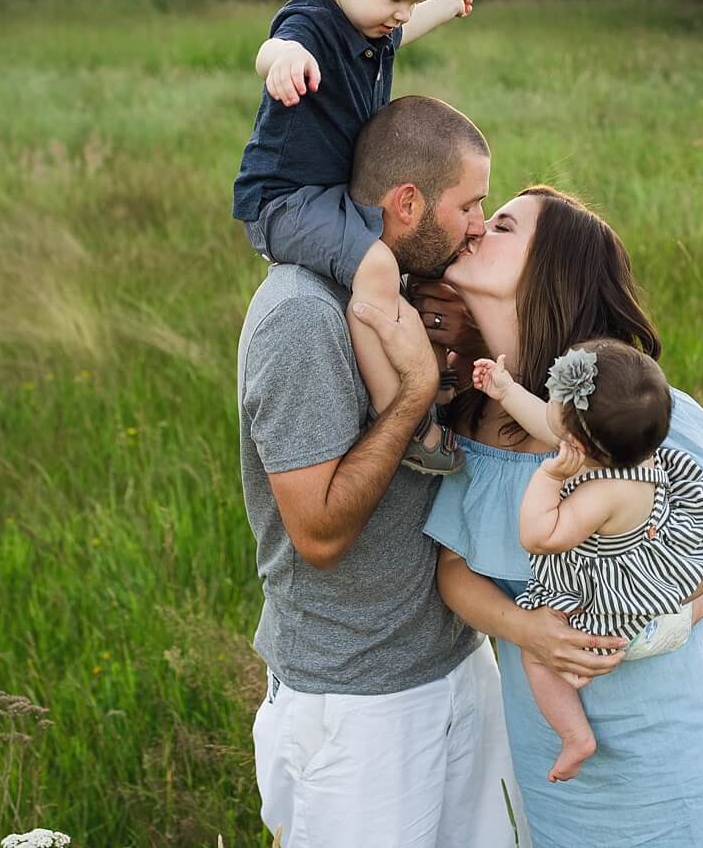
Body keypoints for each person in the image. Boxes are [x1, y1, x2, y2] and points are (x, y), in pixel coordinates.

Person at [417, 185, 703, 845]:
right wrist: (531, 630)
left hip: (672, 753)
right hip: (558, 768)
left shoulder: (624, 407)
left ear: (551, 267)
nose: (475, 229)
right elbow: (454, 572)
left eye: (502, 225)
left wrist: (630, 611)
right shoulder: (466, 423)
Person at [237, 94, 523, 846]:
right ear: (406, 202)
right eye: (470, 205)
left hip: (460, 661)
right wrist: (413, 398)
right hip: (357, 704)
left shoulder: (410, 285)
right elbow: (320, 534)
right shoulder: (302, 317)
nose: (477, 225)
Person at [233, 0, 476, 473]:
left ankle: (432, 383)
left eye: (412, 2)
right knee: (376, 267)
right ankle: (400, 417)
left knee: (408, 264)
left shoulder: (374, 22)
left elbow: (402, 30)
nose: (400, 16)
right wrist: (285, 60)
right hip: (285, 201)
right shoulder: (312, 23)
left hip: (334, 198)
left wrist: (441, 8)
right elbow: (273, 45)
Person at [473, 340, 703, 783]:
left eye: (555, 397)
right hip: (660, 599)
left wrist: (549, 476)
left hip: (612, 629)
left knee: (536, 659)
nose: (548, 402)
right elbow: (548, 421)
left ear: (576, 442)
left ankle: (575, 737)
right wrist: (505, 390)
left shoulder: (602, 494)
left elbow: (540, 536)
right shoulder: (632, 449)